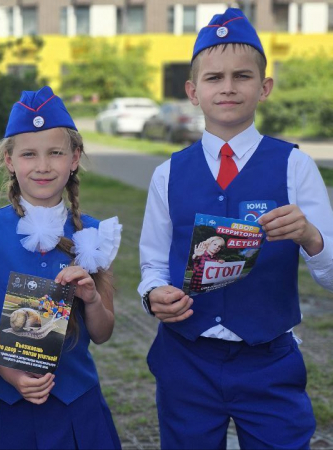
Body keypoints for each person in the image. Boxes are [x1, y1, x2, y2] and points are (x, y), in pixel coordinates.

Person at [138, 8, 333, 449]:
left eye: (242, 76)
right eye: (214, 78)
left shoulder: (295, 166)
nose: (228, 87)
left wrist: (310, 236)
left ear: (264, 87)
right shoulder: (168, 174)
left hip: (269, 359)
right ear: (193, 91)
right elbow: (152, 263)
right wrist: (153, 296)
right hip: (187, 358)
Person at [0, 86, 122, 450]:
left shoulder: (95, 234)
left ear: (74, 158)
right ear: (9, 161)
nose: (43, 166)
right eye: (29, 154)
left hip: (79, 406)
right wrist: (10, 375)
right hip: (14, 406)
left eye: (56, 153)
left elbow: (103, 333)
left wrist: (92, 299)